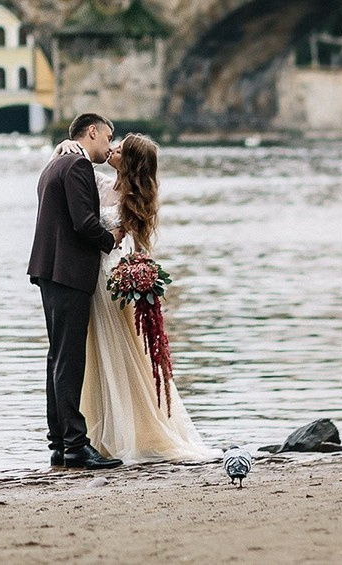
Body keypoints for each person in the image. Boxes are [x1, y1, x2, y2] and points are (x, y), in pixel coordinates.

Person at [72, 133, 216, 463]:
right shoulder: (102, 182)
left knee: (121, 355)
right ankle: (102, 434)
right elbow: (75, 164)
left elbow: (135, 249)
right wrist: (68, 146)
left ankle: (136, 432)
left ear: (131, 161)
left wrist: (136, 280)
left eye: (120, 149)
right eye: (114, 144)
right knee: (96, 356)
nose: (113, 149)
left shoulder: (134, 198)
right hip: (92, 278)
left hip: (112, 283)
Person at [27, 113, 123, 471]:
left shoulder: (54, 164)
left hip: (48, 271)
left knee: (57, 358)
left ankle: (59, 444)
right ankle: (76, 445)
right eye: (107, 137)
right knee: (69, 360)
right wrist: (110, 239)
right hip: (68, 273)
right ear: (92, 132)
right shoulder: (78, 166)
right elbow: (84, 223)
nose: (109, 145)